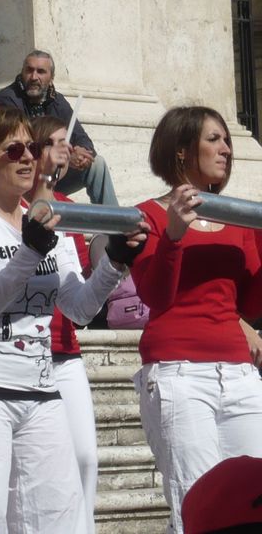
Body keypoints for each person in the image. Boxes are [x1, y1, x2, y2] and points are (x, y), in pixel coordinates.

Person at [0, 106, 146, 532]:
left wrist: (116, 262)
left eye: (31, 146)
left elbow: (80, 308)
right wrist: (29, 250)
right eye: (13, 150)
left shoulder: (48, 222)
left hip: (43, 388)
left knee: (55, 519)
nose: (28, 157)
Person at [130, 106, 262, 534]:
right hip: (177, 373)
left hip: (240, 373)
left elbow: (252, 304)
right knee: (196, 506)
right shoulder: (145, 215)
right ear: (182, 150)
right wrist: (172, 235)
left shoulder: (240, 217)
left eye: (227, 140)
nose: (226, 149)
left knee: (253, 500)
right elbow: (156, 297)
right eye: (214, 139)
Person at [26, 115, 99, 533]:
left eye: (65, 142)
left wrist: (111, 265)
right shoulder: (7, 208)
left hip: (65, 350)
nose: (65, 149)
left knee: (86, 457)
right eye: (54, 142)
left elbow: (78, 293)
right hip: (20, 353)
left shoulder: (69, 210)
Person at [0, 50, 119, 206]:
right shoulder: (8, 100)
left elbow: (83, 139)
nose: (34, 77)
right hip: (26, 173)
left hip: (54, 173)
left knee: (97, 164)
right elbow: (21, 147)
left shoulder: (57, 101)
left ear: (51, 78)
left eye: (40, 72)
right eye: (29, 70)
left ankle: (113, 224)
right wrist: (65, 155)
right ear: (22, 72)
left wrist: (80, 153)